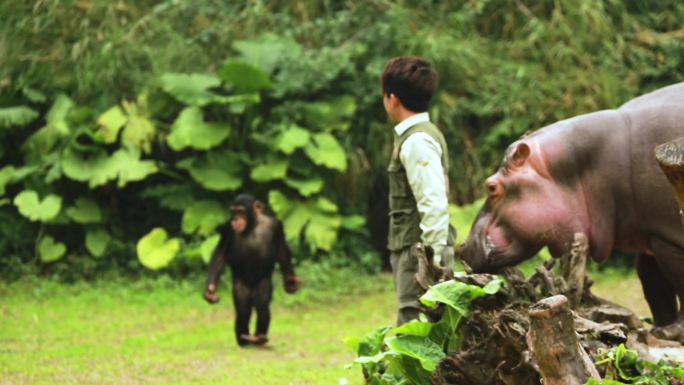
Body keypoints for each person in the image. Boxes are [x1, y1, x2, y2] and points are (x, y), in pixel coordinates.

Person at [381, 56, 454, 325]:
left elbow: (434, 203)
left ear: (392, 98)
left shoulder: (417, 141)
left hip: (419, 252)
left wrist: (430, 261)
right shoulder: (418, 135)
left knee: (415, 325)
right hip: (416, 249)